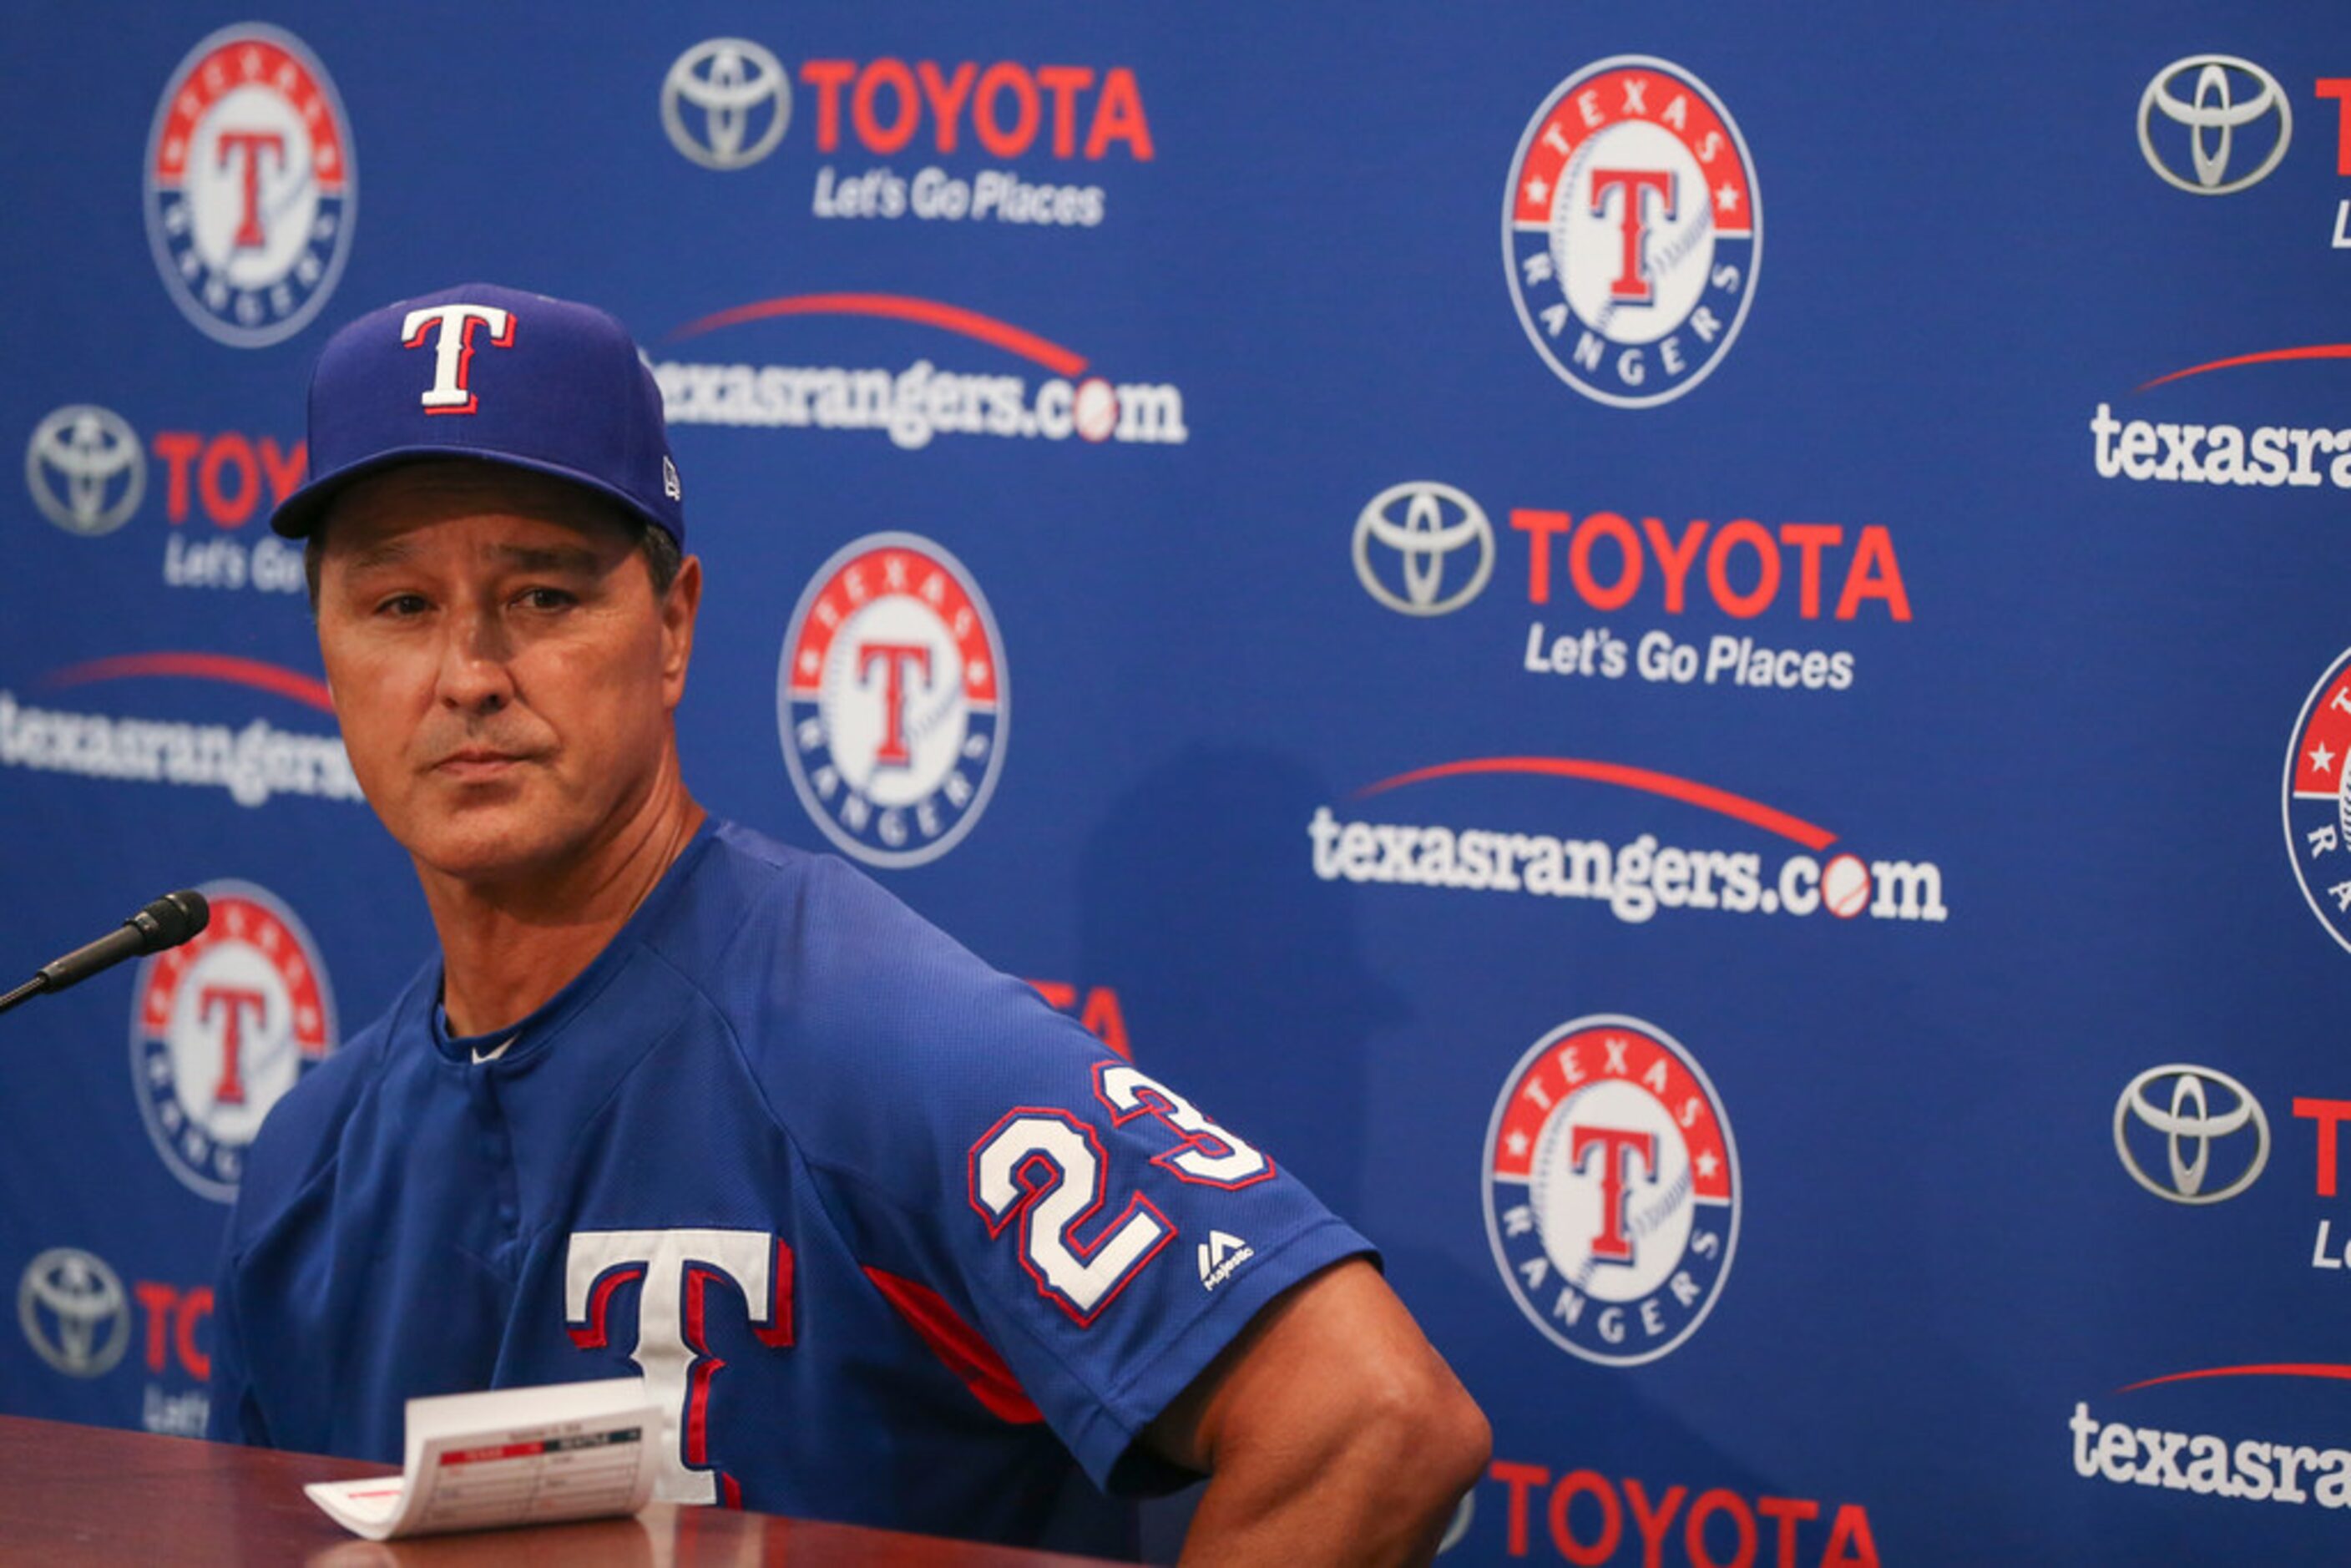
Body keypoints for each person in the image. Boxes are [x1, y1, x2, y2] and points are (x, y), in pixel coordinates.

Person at [205, 283, 1489, 1561]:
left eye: (543, 596)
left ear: (671, 629)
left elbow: (1373, 1418)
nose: (470, 673)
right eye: (399, 607)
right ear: (326, 652)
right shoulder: (309, 1161)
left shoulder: (868, 1035)